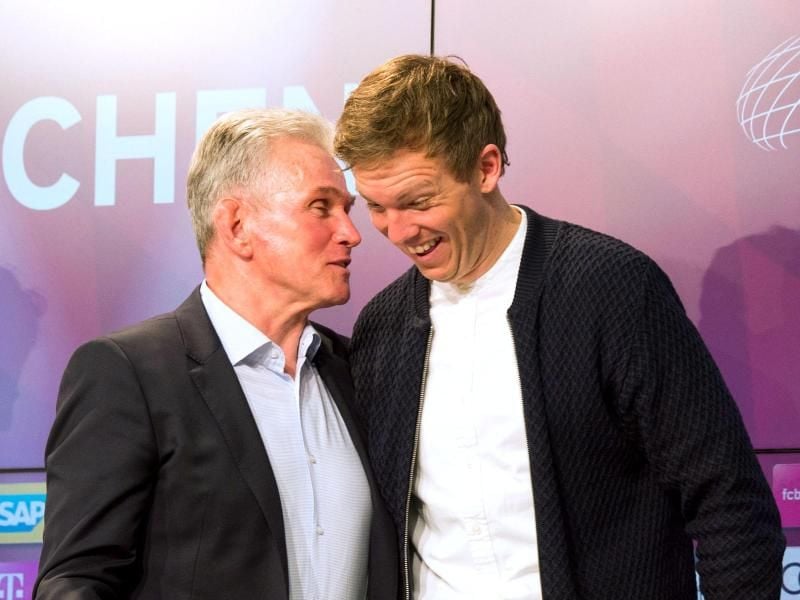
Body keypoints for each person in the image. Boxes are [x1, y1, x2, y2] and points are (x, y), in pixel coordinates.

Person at [334, 55, 785, 600]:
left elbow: (728, 500)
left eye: (418, 201)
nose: (398, 230)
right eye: (377, 207)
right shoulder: (380, 328)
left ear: (486, 168)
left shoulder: (612, 287)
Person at [35, 108, 397, 600]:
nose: (351, 233)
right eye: (321, 207)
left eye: (347, 209)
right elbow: (76, 580)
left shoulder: (358, 372)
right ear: (237, 225)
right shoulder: (128, 373)